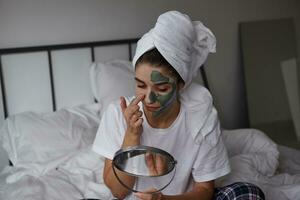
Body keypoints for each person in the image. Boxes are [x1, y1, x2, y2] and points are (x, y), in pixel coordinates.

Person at [92, 11, 265, 200]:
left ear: (181, 85)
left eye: (162, 88)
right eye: (141, 85)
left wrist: (163, 199)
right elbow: (118, 192)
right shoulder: (117, 114)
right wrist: (132, 136)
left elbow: (205, 191)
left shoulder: (201, 118)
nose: (149, 99)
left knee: (249, 193)